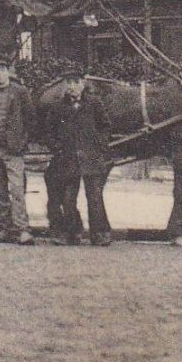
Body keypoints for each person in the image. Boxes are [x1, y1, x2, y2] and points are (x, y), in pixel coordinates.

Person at [41, 67, 114, 246]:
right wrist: (57, 148)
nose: (72, 86)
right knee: (68, 198)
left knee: (95, 197)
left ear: (83, 83)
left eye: (76, 82)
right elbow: (48, 131)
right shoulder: (58, 107)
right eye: (69, 82)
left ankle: (100, 233)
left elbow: (105, 126)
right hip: (67, 158)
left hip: (91, 158)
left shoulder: (94, 104)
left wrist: (99, 145)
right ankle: (72, 232)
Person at [0, 54, 35, 244]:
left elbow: (30, 120)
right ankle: (6, 228)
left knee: (17, 190)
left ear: (8, 72)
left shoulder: (20, 92)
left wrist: (21, 142)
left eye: (1, 70)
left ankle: (23, 229)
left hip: (12, 150)